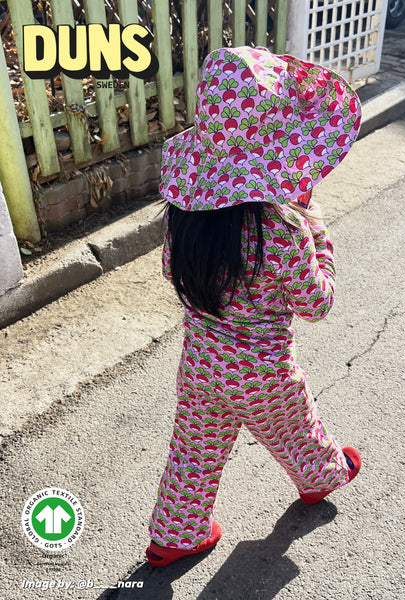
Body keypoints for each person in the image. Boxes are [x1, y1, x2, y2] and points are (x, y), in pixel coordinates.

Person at [146, 46, 362, 567]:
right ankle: (323, 476)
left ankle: (174, 536)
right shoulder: (282, 230)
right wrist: (318, 236)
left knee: (194, 451)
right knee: (296, 429)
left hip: (202, 361)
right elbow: (316, 303)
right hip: (263, 372)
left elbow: (171, 271)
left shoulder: (184, 214)